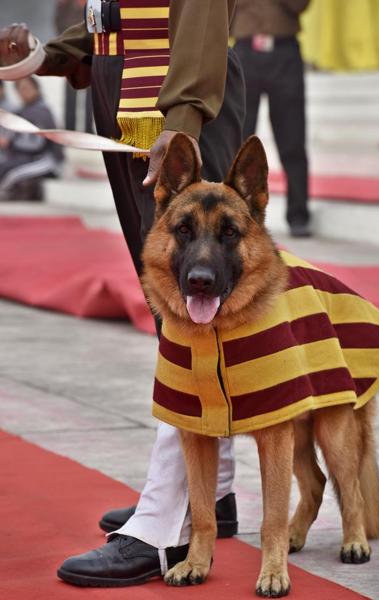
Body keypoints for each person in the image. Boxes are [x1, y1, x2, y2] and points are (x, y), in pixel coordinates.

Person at [0, 0, 244, 587]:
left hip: (171, 106)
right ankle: (214, 492)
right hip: (131, 95)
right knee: (175, 306)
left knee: (191, 308)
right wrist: (49, 55)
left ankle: (164, 523)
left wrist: (183, 119)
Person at [233, 0, 311, 237]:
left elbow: (300, 5)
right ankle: (234, 215)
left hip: (284, 51)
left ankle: (298, 215)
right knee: (239, 144)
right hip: (244, 52)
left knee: (292, 140)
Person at [0, 76, 64, 201]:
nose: (24, 92)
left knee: (12, 174)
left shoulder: (42, 111)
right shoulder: (25, 110)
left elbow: (37, 144)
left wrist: (10, 143)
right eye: (20, 89)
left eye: (27, 88)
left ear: (36, 88)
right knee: (5, 166)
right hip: (31, 157)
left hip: (48, 159)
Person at [54, 0, 93, 132]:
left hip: (89, 53)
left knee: (91, 94)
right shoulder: (65, 5)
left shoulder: (94, 4)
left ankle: (88, 129)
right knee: (70, 92)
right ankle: (69, 128)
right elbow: (58, 23)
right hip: (71, 52)